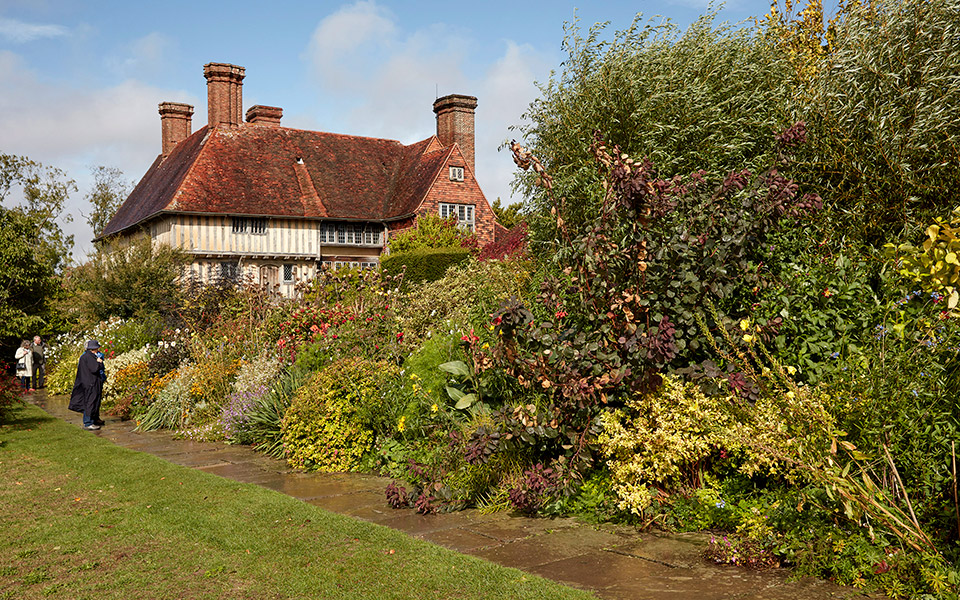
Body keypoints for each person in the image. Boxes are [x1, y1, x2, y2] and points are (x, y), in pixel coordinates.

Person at [68, 340, 105, 430]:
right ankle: (88, 422)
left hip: (91, 382)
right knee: (90, 402)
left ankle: (94, 419)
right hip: (90, 383)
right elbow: (94, 369)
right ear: (93, 349)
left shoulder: (86, 356)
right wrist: (99, 362)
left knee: (94, 401)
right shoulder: (88, 357)